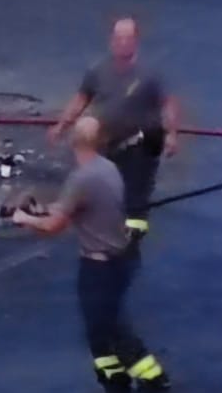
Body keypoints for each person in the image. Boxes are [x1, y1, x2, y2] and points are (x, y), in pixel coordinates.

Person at [13, 115, 175, 393]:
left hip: (100, 267)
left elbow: (54, 227)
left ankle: (157, 390)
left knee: (115, 334)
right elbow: (71, 209)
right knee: (100, 336)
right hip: (114, 263)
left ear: (73, 141)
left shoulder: (83, 178)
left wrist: (24, 218)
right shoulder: (106, 168)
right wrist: (42, 210)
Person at [50, 18, 180, 251]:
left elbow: (167, 104)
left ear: (135, 41)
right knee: (106, 185)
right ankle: (105, 229)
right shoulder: (97, 71)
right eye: (118, 38)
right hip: (108, 142)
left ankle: (133, 239)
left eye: (127, 38)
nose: (122, 43)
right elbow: (81, 99)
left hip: (143, 141)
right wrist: (61, 126)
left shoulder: (150, 74)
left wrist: (172, 134)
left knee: (136, 191)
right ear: (111, 40)